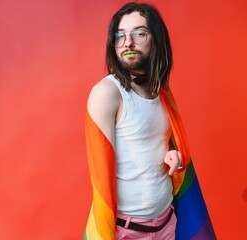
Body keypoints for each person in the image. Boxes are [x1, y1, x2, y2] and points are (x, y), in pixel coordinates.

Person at [83, 2, 216, 240]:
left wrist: (172, 155)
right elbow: (100, 177)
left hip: (167, 224)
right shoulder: (108, 93)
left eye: (139, 33)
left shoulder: (162, 92)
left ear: (157, 39)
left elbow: (155, 145)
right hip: (127, 232)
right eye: (120, 35)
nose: (128, 43)